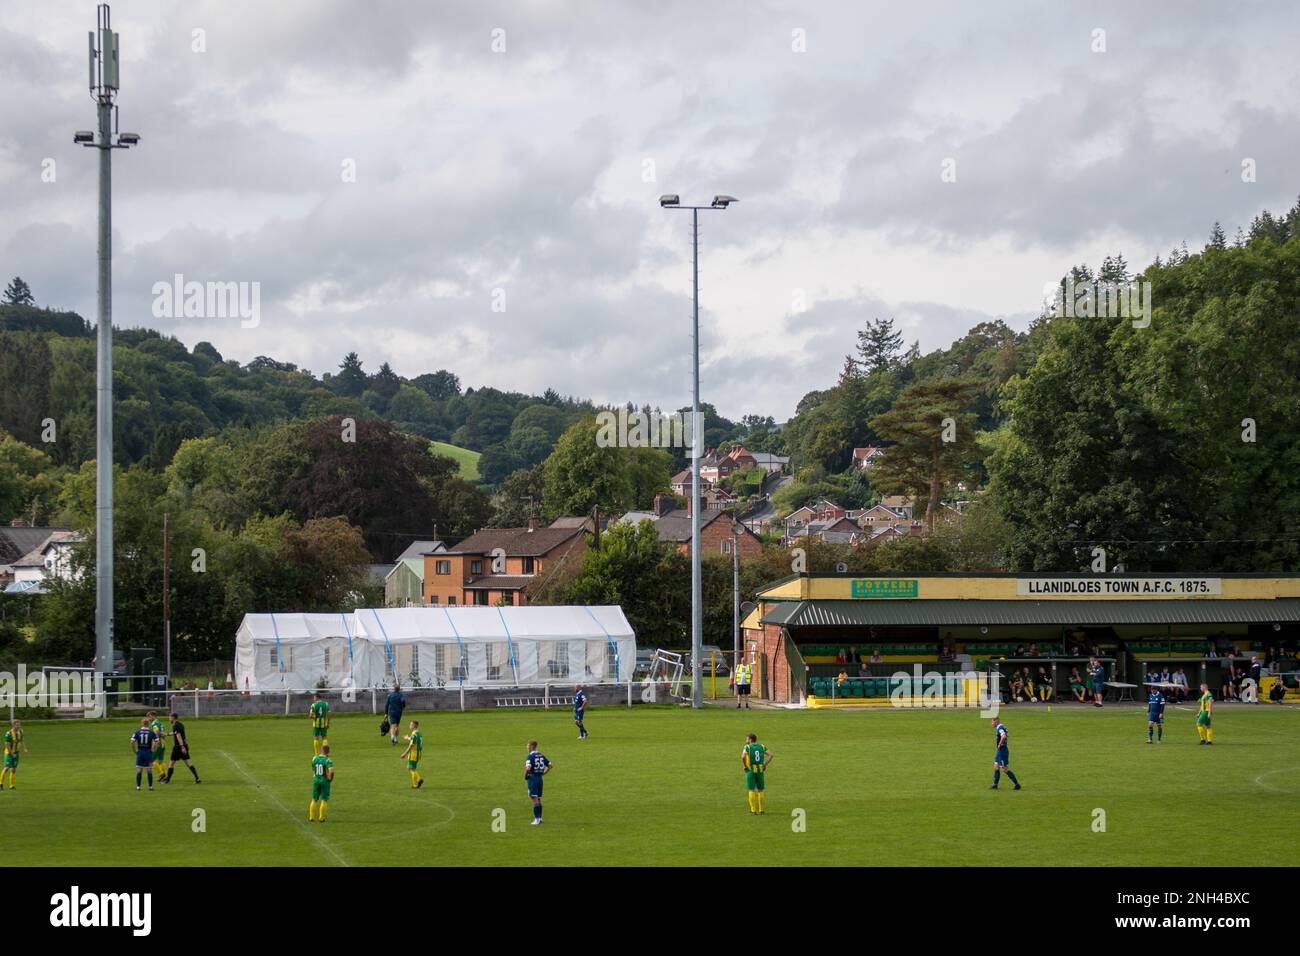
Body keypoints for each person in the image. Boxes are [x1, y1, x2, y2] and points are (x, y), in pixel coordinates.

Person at [162, 712, 200, 784]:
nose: (169, 718)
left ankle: (167, 780)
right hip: (184, 745)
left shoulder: (175, 726)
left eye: (169, 717)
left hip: (178, 747)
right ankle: (197, 779)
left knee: (171, 764)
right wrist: (167, 734)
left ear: (173, 717)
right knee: (189, 763)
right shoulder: (180, 724)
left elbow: (178, 736)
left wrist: (182, 747)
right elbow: (176, 733)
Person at [741, 733, 772, 815]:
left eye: (747, 739)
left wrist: (745, 766)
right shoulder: (762, 746)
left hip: (750, 770)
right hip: (760, 770)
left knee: (751, 789)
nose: (746, 740)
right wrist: (765, 764)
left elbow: (743, 757)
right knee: (760, 790)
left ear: (750, 739)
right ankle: (761, 811)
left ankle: (753, 811)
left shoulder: (747, 747)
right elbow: (771, 755)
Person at [523, 739, 551, 826]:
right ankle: (540, 818)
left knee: (534, 799)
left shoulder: (530, 757)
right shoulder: (541, 755)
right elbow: (550, 765)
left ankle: (537, 819)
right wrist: (544, 773)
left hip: (533, 778)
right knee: (538, 798)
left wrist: (525, 776)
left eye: (528, 746)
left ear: (532, 746)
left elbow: (528, 768)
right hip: (539, 779)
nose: (527, 748)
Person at [989, 717, 1021, 790]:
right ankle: (995, 784)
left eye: (992, 722)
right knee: (996, 766)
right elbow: (1006, 734)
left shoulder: (999, 728)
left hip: (1002, 751)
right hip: (999, 751)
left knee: (1005, 769)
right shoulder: (1002, 726)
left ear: (996, 721)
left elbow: (1004, 736)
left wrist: (1000, 744)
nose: (992, 723)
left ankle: (1017, 784)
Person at [130, 718, 160, 791]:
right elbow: (157, 741)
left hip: (140, 752)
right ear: (148, 724)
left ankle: (138, 787)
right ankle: (150, 787)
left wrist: (134, 750)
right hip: (148, 753)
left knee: (139, 770)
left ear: (142, 724)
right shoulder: (151, 732)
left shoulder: (137, 732)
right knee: (149, 770)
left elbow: (132, 742)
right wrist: (154, 750)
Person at [309, 744, 334, 822]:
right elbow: (331, 771)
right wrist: (330, 778)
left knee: (314, 799)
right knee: (324, 799)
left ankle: (311, 817)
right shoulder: (328, 760)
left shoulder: (315, 758)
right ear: (328, 752)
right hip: (324, 781)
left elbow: (313, 768)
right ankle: (321, 818)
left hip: (316, 779)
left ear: (321, 750)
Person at [1, 719, 28, 790]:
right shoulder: (8, 733)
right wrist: (12, 754)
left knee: (13, 769)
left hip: (16, 753)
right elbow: (7, 745)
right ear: (13, 725)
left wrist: (24, 749)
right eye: (17, 724)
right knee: (6, 768)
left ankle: (11, 785)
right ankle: (1, 784)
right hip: (8, 753)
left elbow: (21, 741)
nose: (18, 726)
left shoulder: (20, 732)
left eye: (19, 724)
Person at [400, 719, 424, 789]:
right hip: (418, 753)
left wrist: (404, 753)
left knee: (412, 769)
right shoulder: (418, 733)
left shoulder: (414, 734)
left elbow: (411, 746)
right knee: (409, 767)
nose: (409, 726)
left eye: (410, 724)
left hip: (413, 754)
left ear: (414, 726)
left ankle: (417, 782)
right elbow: (414, 740)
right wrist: (407, 738)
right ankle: (418, 781)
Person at [147, 710, 169, 784]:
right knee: (160, 761)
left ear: (153, 716)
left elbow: (157, 733)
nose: (148, 719)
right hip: (163, 743)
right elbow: (163, 732)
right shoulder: (160, 722)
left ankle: (161, 774)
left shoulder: (154, 724)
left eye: (149, 717)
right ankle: (165, 776)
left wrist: (155, 743)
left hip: (158, 743)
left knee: (151, 760)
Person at [309, 691, 330, 755]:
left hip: (316, 724)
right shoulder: (326, 704)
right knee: (324, 737)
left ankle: (316, 753)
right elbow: (329, 714)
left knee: (316, 738)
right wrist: (328, 723)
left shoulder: (313, 705)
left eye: (314, 697)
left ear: (317, 697)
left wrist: (313, 716)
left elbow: (310, 715)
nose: (313, 699)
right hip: (324, 723)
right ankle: (325, 753)